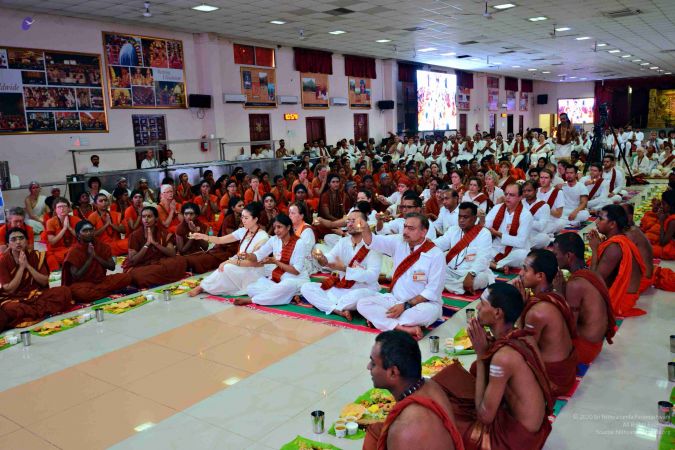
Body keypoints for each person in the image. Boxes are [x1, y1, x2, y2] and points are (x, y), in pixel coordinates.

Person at [433, 282, 553, 450]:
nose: (477, 308)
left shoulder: (503, 358)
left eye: (482, 304)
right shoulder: (524, 336)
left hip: (516, 440)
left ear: (497, 313)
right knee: (449, 376)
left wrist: (481, 355)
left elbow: (484, 417)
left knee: (442, 415)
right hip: (532, 425)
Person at [362, 331, 463, 450]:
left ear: (393, 372)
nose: (368, 367)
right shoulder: (431, 385)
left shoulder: (403, 430)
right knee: (375, 430)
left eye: (373, 363)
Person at [356, 212, 445, 340]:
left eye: (411, 228)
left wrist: (405, 306)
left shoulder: (436, 254)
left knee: (422, 314)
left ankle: (381, 321)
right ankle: (402, 328)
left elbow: (432, 291)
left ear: (423, 232)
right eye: (405, 227)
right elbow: (373, 241)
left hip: (422, 305)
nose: (405, 231)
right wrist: (364, 228)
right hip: (395, 299)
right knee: (362, 303)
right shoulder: (398, 241)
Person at [513, 249, 578, 397]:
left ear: (540, 276)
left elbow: (521, 350)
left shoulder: (537, 311)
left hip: (552, 380)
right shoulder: (556, 295)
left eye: (525, 269)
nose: (520, 273)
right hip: (567, 372)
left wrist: (519, 309)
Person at [301, 207, 382, 320]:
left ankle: (328, 305)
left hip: (362, 289)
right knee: (306, 287)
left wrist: (345, 269)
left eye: (354, 221)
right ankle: (337, 309)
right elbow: (330, 258)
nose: (350, 224)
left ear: (363, 223)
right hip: (342, 288)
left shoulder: (373, 245)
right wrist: (322, 258)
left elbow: (372, 276)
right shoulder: (343, 241)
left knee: (357, 297)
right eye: (348, 221)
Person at [552, 233, 616, 364]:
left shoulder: (574, 285)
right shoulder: (593, 274)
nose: (554, 258)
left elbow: (569, 328)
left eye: (556, 254)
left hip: (584, 348)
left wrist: (559, 293)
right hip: (596, 343)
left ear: (568, 256)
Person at [188, 202, 269, 297]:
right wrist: (203, 236)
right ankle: (203, 286)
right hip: (240, 265)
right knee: (224, 269)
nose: (243, 220)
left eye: (246, 218)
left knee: (227, 267)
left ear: (255, 219)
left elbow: (256, 263)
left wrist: (230, 261)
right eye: (242, 217)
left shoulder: (263, 237)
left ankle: (203, 287)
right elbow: (220, 240)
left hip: (253, 270)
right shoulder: (243, 231)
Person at [0, 228, 73, 332]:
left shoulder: (35, 255)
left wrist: (28, 266)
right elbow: (9, 289)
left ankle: (31, 312)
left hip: (35, 295)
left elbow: (44, 281)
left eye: (21, 238)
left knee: (64, 291)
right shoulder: (3, 261)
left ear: (26, 241)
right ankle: (37, 310)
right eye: (13, 239)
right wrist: (21, 268)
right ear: (8, 244)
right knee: (12, 309)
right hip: (15, 298)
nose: (18, 242)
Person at [237, 213, 309, 306]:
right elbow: (259, 255)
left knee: (287, 285)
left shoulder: (299, 243)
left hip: (296, 279)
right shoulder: (274, 240)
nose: (276, 231)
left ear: (288, 227)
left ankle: (252, 300)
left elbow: (296, 271)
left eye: (279, 227)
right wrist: (247, 256)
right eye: (274, 228)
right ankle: (288, 296)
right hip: (279, 280)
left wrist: (275, 262)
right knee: (251, 288)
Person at [589, 205, 646, 317]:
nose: (596, 222)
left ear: (612, 224)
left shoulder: (614, 247)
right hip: (625, 294)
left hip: (620, 301)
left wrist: (595, 250)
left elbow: (594, 281)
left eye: (601, 219)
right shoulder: (619, 239)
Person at [61, 221, 132, 303]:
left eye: (91, 230)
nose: (89, 233)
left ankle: (102, 292)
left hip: (101, 281)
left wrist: (95, 256)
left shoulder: (102, 246)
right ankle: (108, 291)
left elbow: (112, 267)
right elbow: (76, 276)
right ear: (78, 234)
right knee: (78, 292)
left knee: (126, 277)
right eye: (85, 231)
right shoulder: (73, 251)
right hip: (83, 284)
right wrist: (90, 257)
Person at [434, 202, 493, 295]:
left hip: (472, 273)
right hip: (451, 271)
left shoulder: (484, 233)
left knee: (482, 278)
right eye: (459, 216)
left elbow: (483, 258)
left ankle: (442, 286)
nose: (461, 220)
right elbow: (439, 243)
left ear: (474, 218)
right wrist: (425, 244)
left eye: (465, 217)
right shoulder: (453, 230)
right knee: (432, 271)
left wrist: (471, 274)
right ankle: (454, 287)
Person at [122, 206, 187, 288]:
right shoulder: (135, 235)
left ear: (156, 218)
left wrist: (156, 244)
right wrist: (147, 244)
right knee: (140, 276)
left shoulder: (163, 232)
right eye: (143, 217)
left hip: (158, 262)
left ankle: (157, 277)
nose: (146, 219)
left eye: (149, 216)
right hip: (141, 266)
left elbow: (172, 253)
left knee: (180, 260)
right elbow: (133, 260)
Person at [484, 183, 533, 272]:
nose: (507, 197)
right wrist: (482, 221)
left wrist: (498, 234)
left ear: (520, 197)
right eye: (506, 194)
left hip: (514, 250)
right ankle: (498, 265)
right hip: (495, 248)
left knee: (523, 255)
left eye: (512, 195)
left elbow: (520, 242)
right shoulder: (497, 208)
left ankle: (494, 264)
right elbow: (486, 226)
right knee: (478, 248)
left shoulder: (526, 215)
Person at [621, 203, 655, 291]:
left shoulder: (631, 233)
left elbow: (618, 258)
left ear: (629, 217)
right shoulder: (632, 228)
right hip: (642, 275)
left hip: (642, 279)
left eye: (621, 214)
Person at [45, 197, 80, 271]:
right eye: (59, 207)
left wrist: (69, 228)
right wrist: (64, 228)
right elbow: (52, 241)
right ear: (55, 209)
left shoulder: (76, 220)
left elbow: (81, 238)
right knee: (50, 258)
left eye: (64, 206)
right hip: (57, 250)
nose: (62, 209)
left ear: (69, 208)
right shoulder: (50, 222)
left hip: (73, 248)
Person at [521, 180, 552, 249]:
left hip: (535, 235)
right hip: (520, 233)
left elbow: (541, 227)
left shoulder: (544, 205)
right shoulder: (519, 204)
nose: (526, 193)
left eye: (529, 191)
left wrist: (525, 221)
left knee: (544, 238)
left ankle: (522, 246)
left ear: (536, 190)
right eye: (524, 191)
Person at [536, 169, 565, 233]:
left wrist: (544, 208)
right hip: (537, 220)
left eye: (546, 178)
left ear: (551, 179)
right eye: (541, 177)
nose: (543, 180)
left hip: (551, 221)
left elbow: (559, 214)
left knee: (560, 223)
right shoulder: (535, 191)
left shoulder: (558, 192)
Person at [650, 190, 675, 260]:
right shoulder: (669, 214)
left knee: (647, 249)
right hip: (669, 241)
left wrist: (661, 222)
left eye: (663, 204)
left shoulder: (673, 221)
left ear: (671, 205)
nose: (662, 206)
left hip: (671, 248)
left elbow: (662, 243)